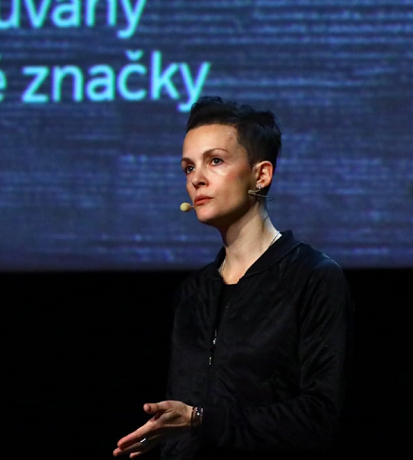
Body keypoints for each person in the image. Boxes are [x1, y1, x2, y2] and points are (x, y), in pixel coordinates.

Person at [112, 96, 355, 459]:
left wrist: (200, 420)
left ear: (261, 175)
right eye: (188, 167)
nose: (196, 179)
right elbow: (181, 411)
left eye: (215, 161)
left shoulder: (313, 278)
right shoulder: (193, 293)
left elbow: (319, 418)